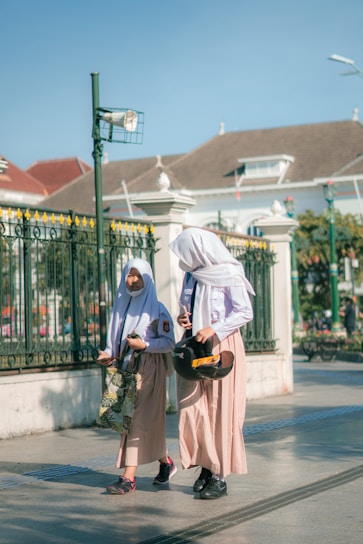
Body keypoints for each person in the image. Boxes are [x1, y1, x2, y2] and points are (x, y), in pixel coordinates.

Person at [169, 227, 255, 500]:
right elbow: (186, 306)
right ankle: (205, 465)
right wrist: (184, 318)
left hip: (221, 345)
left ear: (199, 249)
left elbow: (244, 311)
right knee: (192, 407)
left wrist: (214, 328)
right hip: (194, 346)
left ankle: (219, 476)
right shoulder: (191, 276)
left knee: (220, 410)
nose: (184, 258)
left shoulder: (229, 273)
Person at [97, 258, 176, 494]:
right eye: (129, 276)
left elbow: (170, 342)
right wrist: (110, 353)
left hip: (149, 370)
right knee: (136, 420)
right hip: (126, 370)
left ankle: (128, 477)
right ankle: (166, 462)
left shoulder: (157, 309)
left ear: (147, 278)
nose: (132, 281)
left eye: (137, 276)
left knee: (136, 420)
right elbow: (116, 338)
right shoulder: (122, 305)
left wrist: (145, 345)